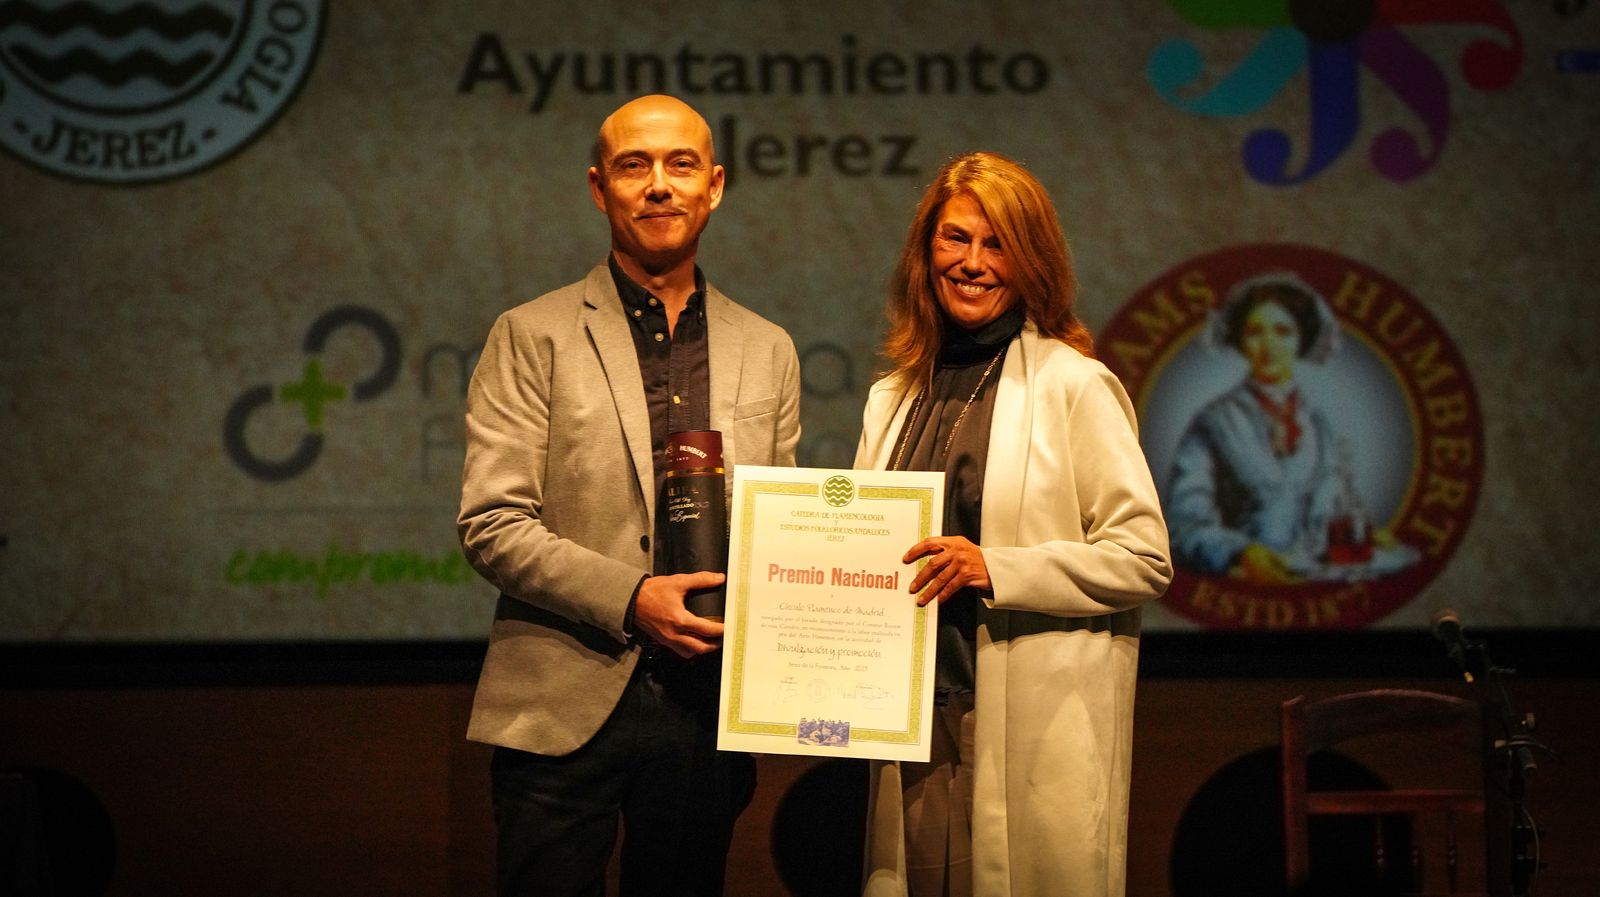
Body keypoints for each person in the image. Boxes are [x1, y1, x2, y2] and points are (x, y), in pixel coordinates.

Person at [457, 94, 801, 897]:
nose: (658, 185)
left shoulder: (770, 347)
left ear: (714, 185)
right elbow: (491, 522)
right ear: (597, 187)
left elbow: (779, 529)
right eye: (633, 165)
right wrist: (632, 597)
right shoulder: (530, 332)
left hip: (705, 705)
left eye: (680, 165)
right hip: (560, 700)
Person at [853, 152, 1171, 897]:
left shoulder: (1075, 386)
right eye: (955, 239)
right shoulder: (893, 397)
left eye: (996, 244)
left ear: (1032, 260)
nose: (971, 263)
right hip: (909, 720)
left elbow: (1143, 558)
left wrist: (996, 566)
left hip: (1020, 718)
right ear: (924, 252)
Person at [1165, 272, 1399, 583]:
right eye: (1255, 332)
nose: (1269, 345)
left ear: (1301, 338)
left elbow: (1334, 507)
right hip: (1244, 594)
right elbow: (1184, 525)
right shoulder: (1215, 421)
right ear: (1240, 341)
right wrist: (1242, 554)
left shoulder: (1318, 422)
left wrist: (1366, 537)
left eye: (1283, 331)